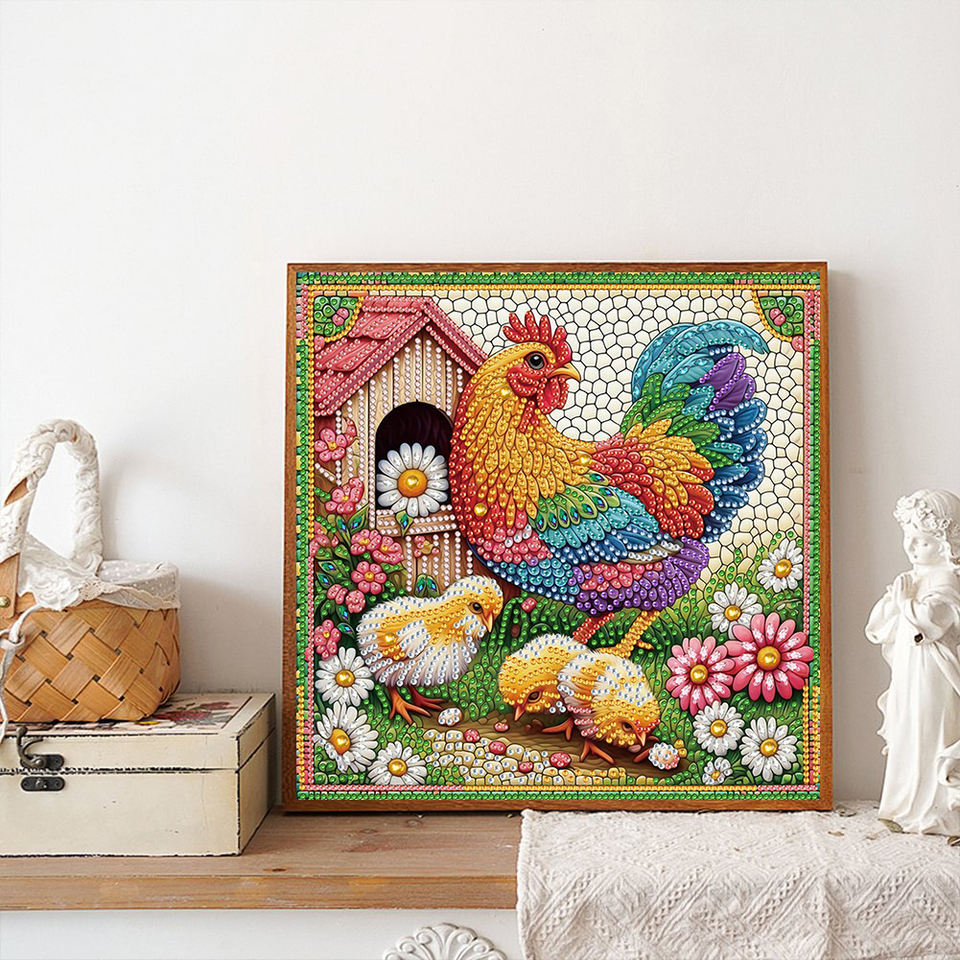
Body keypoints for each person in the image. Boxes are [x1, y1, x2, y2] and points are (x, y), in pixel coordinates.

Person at [866, 489, 960, 838]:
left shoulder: (946, 579)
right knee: (907, 725)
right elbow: (880, 625)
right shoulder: (914, 578)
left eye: (922, 541)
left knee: (927, 728)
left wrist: (905, 602)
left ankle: (931, 804)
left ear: (945, 544)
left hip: (932, 671)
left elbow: (932, 622)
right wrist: (896, 602)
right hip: (909, 668)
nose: (911, 547)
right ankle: (904, 803)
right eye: (908, 537)